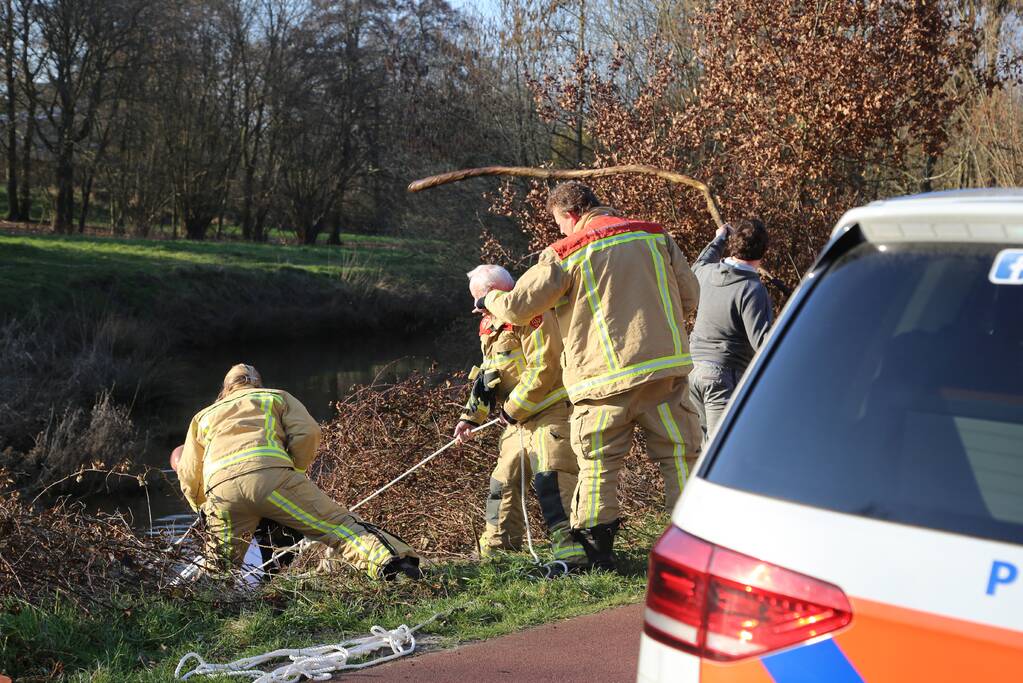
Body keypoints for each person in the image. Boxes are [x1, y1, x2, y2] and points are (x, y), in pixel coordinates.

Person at [478, 182, 702, 571]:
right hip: (663, 371)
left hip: (600, 381)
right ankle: (692, 542)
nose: (560, 230)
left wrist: (489, 299)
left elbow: (518, 308)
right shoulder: (655, 235)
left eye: (559, 223)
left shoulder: (565, 252)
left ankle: (598, 554)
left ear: (569, 214)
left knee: (598, 465)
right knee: (679, 455)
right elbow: (690, 295)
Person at [176, 364, 421, 580]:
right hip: (272, 480)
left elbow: (188, 473)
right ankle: (394, 566)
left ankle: (209, 605)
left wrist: (202, 507)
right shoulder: (276, 397)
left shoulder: (202, 417)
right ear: (258, 383)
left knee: (219, 565)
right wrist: (297, 469)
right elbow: (308, 433)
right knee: (338, 526)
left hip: (222, 494)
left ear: (226, 387)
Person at [454, 264, 588, 573]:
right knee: (502, 484)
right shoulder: (490, 325)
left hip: (551, 414)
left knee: (552, 480)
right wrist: (471, 418)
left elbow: (544, 367)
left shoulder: (534, 315)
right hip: (517, 421)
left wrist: (512, 410)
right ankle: (498, 553)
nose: (475, 307)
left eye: (478, 299)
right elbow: (490, 374)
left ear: (494, 294)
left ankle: (572, 555)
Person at [689, 219, 773, 442]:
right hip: (723, 376)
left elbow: (699, 263)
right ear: (764, 251)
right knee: (722, 447)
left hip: (692, 371)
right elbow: (763, 343)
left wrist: (719, 238)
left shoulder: (706, 273)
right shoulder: (752, 289)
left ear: (733, 244)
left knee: (701, 450)